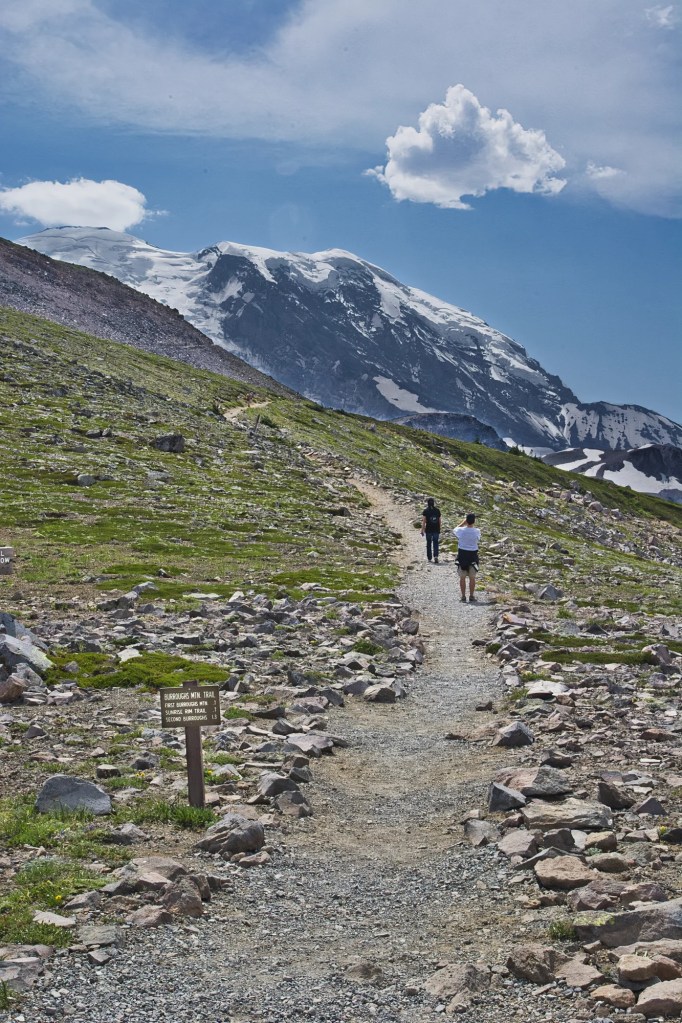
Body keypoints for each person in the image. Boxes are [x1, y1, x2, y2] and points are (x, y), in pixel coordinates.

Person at [453, 513, 481, 602]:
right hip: (473, 556)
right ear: (474, 521)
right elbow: (478, 539)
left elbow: (455, 529)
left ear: (466, 520)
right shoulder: (477, 531)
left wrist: (463, 523)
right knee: (472, 577)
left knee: (462, 577)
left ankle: (463, 596)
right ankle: (472, 596)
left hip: (462, 555)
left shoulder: (461, 531)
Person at [421, 497, 442, 563]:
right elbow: (439, 521)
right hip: (436, 529)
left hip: (429, 530)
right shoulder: (437, 510)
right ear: (433, 503)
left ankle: (429, 558)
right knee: (436, 543)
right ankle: (436, 556)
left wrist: (422, 530)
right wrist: (439, 528)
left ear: (428, 503)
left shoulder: (425, 511)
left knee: (429, 543)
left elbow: (424, 521)